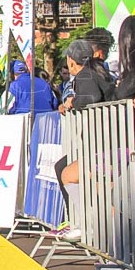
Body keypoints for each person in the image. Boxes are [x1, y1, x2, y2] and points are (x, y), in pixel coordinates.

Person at [52, 39, 116, 241]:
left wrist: (73, 102)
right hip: (105, 141)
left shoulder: (85, 76)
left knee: (70, 174)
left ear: (72, 61)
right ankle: (90, 223)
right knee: (67, 171)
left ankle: (87, 225)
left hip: (102, 144)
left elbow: (90, 98)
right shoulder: (97, 73)